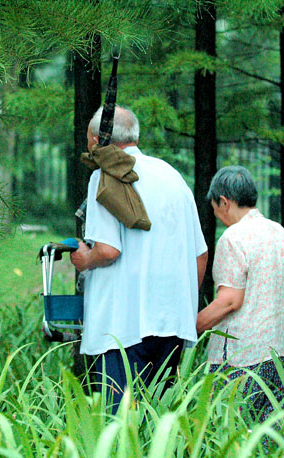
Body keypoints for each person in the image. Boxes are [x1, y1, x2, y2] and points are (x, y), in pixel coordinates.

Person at [70, 106, 208, 413]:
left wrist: (83, 259)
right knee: (158, 420)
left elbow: (107, 251)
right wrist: (184, 306)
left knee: (123, 428)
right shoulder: (172, 177)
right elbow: (200, 255)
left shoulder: (106, 176)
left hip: (123, 326)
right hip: (171, 323)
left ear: (96, 139)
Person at [197, 165, 284, 423]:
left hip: (243, 356)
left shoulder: (233, 237)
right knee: (269, 433)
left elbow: (230, 300)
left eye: (216, 210)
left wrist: (194, 324)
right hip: (281, 351)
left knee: (234, 432)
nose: (219, 217)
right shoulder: (279, 232)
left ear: (224, 202)